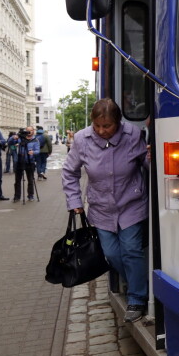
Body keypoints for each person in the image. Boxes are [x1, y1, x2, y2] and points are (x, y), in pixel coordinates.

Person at [62, 98, 149, 322]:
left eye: (107, 126)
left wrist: (152, 155)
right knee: (110, 253)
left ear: (118, 122)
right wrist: (75, 202)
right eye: (98, 126)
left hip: (131, 203)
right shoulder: (82, 139)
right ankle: (138, 281)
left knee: (131, 250)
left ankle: (137, 298)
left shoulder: (132, 135)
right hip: (101, 208)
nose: (102, 130)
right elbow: (70, 172)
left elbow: (147, 164)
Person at [14, 127, 40, 202]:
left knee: (30, 180)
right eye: (28, 131)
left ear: (33, 131)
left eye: (31, 130)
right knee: (17, 180)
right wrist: (15, 138)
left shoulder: (35, 140)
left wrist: (33, 152)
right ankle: (17, 196)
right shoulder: (21, 138)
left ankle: (30, 195)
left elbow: (37, 150)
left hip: (30, 161)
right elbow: (10, 142)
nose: (29, 132)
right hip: (20, 161)